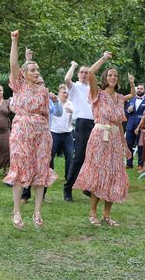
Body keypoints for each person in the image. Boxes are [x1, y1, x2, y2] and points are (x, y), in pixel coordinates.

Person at [3, 32, 58, 229]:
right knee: (19, 168)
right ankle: (16, 210)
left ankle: (37, 211)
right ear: (24, 74)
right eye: (32, 70)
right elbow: (13, 64)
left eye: (37, 70)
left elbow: (46, 114)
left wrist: (48, 133)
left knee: (40, 169)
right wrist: (14, 41)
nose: (36, 72)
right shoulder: (19, 86)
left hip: (42, 133)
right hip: (21, 130)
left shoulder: (43, 91)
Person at [73, 52, 131, 226]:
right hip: (99, 137)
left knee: (114, 174)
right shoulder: (97, 93)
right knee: (99, 174)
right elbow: (90, 73)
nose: (113, 77)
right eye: (110, 75)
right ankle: (93, 212)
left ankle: (107, 215)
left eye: (115, 75)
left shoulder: (120, 98)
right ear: (105, 78)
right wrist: (104, 58)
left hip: (114, 139)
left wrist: (125, 146)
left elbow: (120, 123)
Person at [62, 61, 94, 202]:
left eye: (86, 72)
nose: (83, 74)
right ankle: (68, 188)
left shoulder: (93, 88)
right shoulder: (75, 87)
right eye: (81, 72)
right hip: (81, 124)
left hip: (95, 124)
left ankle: (88, 187)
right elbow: (66, 79)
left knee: (93, 158)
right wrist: (73, 66)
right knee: (79, 157)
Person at [50, 84, 75, 180]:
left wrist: (73, 112)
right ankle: (51, 176)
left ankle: (68, 177)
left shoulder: (71, 104)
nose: (66, 94)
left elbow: (76, 118)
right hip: (54, 133)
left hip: (67, 134)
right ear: (59, 93)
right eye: (64, 92)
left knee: (70, 156)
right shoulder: (53, 103)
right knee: (50, 156)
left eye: (67, 93)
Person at [125, 82, 145, 171]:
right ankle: (129, 163)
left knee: (141, 146)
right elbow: (126, 112)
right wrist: (128, 110)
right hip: (130, 125)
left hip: (141, 126)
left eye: (141, 89)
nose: (139, 90)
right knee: (129, 145)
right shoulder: (131, 99)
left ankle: (140, 164)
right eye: (138, 88)